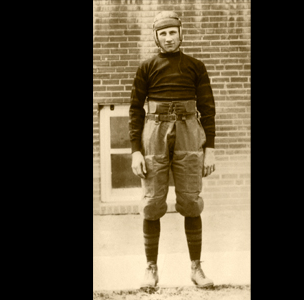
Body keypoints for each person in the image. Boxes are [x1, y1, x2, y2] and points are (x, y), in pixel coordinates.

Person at [128, 11, 216, 289]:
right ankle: (151, 269)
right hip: (154, 133)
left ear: (181, 33)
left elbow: (208, 109)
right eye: (163, 33)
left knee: (190, 200)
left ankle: (196, 268)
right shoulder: (147, 67)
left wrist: (210, 149)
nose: (168, 37)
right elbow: (134, 110)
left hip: (189, 133)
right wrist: (135, 151)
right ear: (156, 36)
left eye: (172, 32)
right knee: (153, 202)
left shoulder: (195, 66)